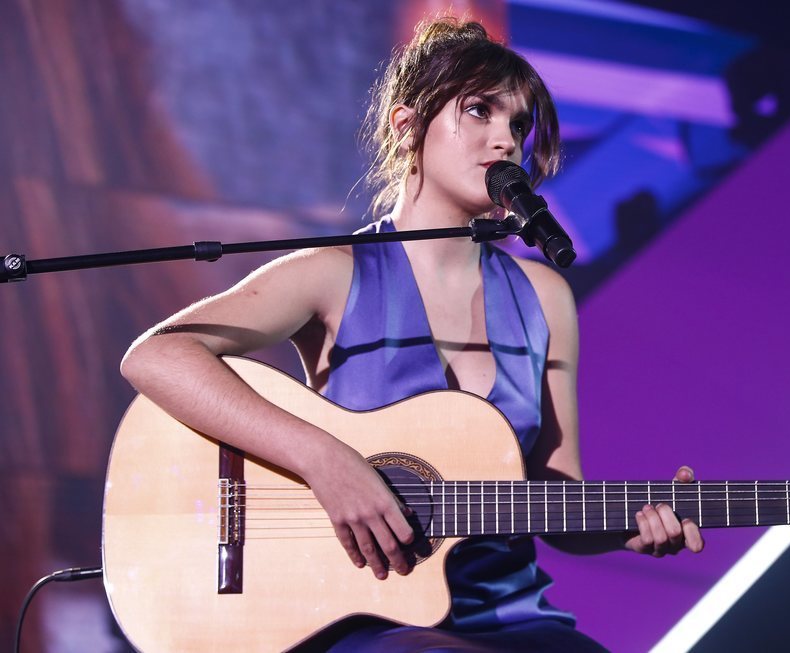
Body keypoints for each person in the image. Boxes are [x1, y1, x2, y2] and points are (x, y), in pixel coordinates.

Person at [120, 16, 703, 652]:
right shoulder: (332, 273)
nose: (504, 140)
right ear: (408, 128)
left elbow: (551, 497)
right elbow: (157, 356)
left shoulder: (545, 297)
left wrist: (629, 525)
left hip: (510, 618)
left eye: (518, 124)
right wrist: (327, 462)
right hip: (362, 615)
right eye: (479, 111)